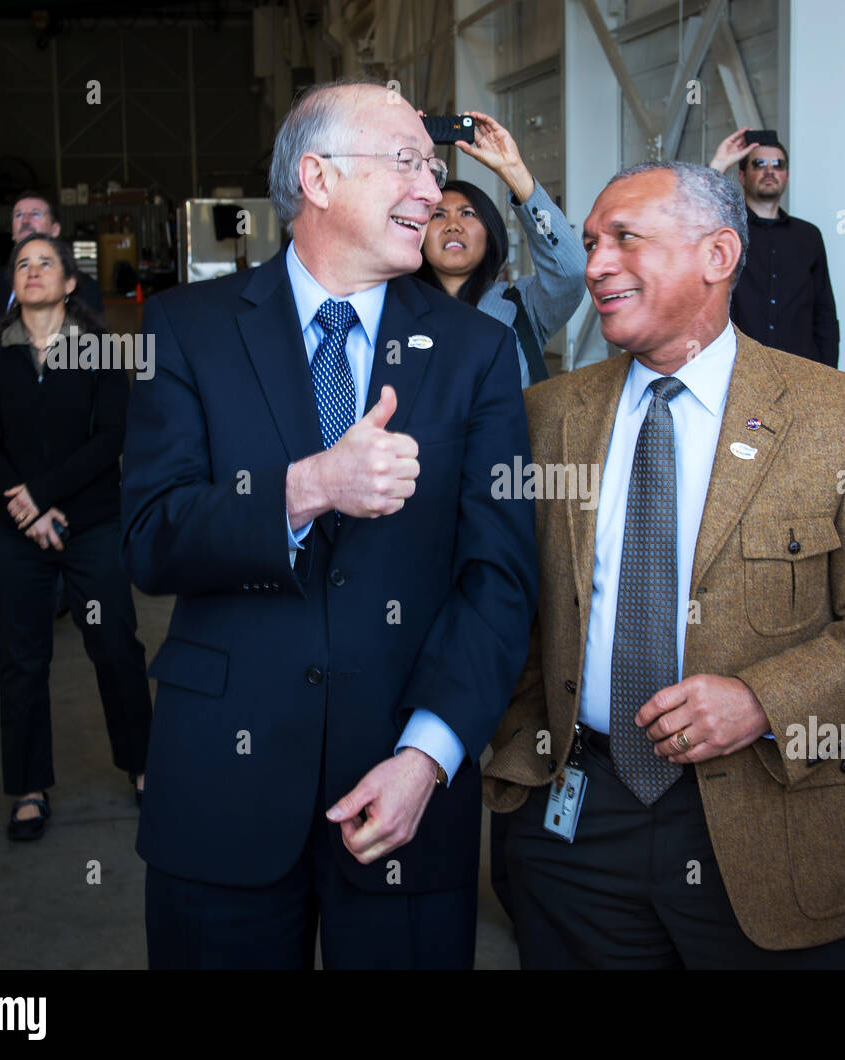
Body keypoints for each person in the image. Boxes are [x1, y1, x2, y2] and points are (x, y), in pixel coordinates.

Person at [482, 161, 845, 969]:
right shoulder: (545, 415)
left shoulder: (844, 416)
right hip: (576, 826)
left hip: (771, 818)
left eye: (625, 239)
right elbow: (503, 603)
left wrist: (762, 700)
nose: (595, 264)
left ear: (718, 254)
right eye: (592, 243)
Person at [120, 79, 537, 970]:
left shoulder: (477, 352)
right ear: (316, 176)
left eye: (434, 168)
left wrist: (429, 757)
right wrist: (306, 487)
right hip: (222, 788)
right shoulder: (188, 330)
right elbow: (151, 537)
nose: (433, 189)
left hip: (403, 791)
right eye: (408, 163)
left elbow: (498, 576)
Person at [0, 233, 152, 839]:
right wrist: (29, 512)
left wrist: (43, 495)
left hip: (93, 523)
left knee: (114, 644)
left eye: (47, 262)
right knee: (21, 659)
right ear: (13, 284)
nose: (34, 270)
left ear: (70, 283)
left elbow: (110, 438)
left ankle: (144, 766)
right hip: (17, 532)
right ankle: (28, 786)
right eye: (23, 263)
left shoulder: (97, 349)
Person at [416, 111, 586, 388]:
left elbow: (572, 271)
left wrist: (514, 172)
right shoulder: (392, 303)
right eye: (437, 215)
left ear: (490, 232)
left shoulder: (523, 305)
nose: (453, 225)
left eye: (468, 214)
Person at [709, 129, 839, 366]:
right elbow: (688, 219)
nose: (770, 171)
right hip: (737, 367)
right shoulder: (723, 232)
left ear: (786, 175)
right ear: (742, 175)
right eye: (759, 164)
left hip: (799, 369)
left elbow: (825, 313)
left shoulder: (809, 236)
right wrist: (717, 165)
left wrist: (828, 373)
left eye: (778, 165)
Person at [0, 191, 104, 358]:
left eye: (35, 214)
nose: (25, 220)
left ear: (55, 229)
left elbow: (93, 347)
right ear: (13, 233)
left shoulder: (84, 286)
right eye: (18, 215)